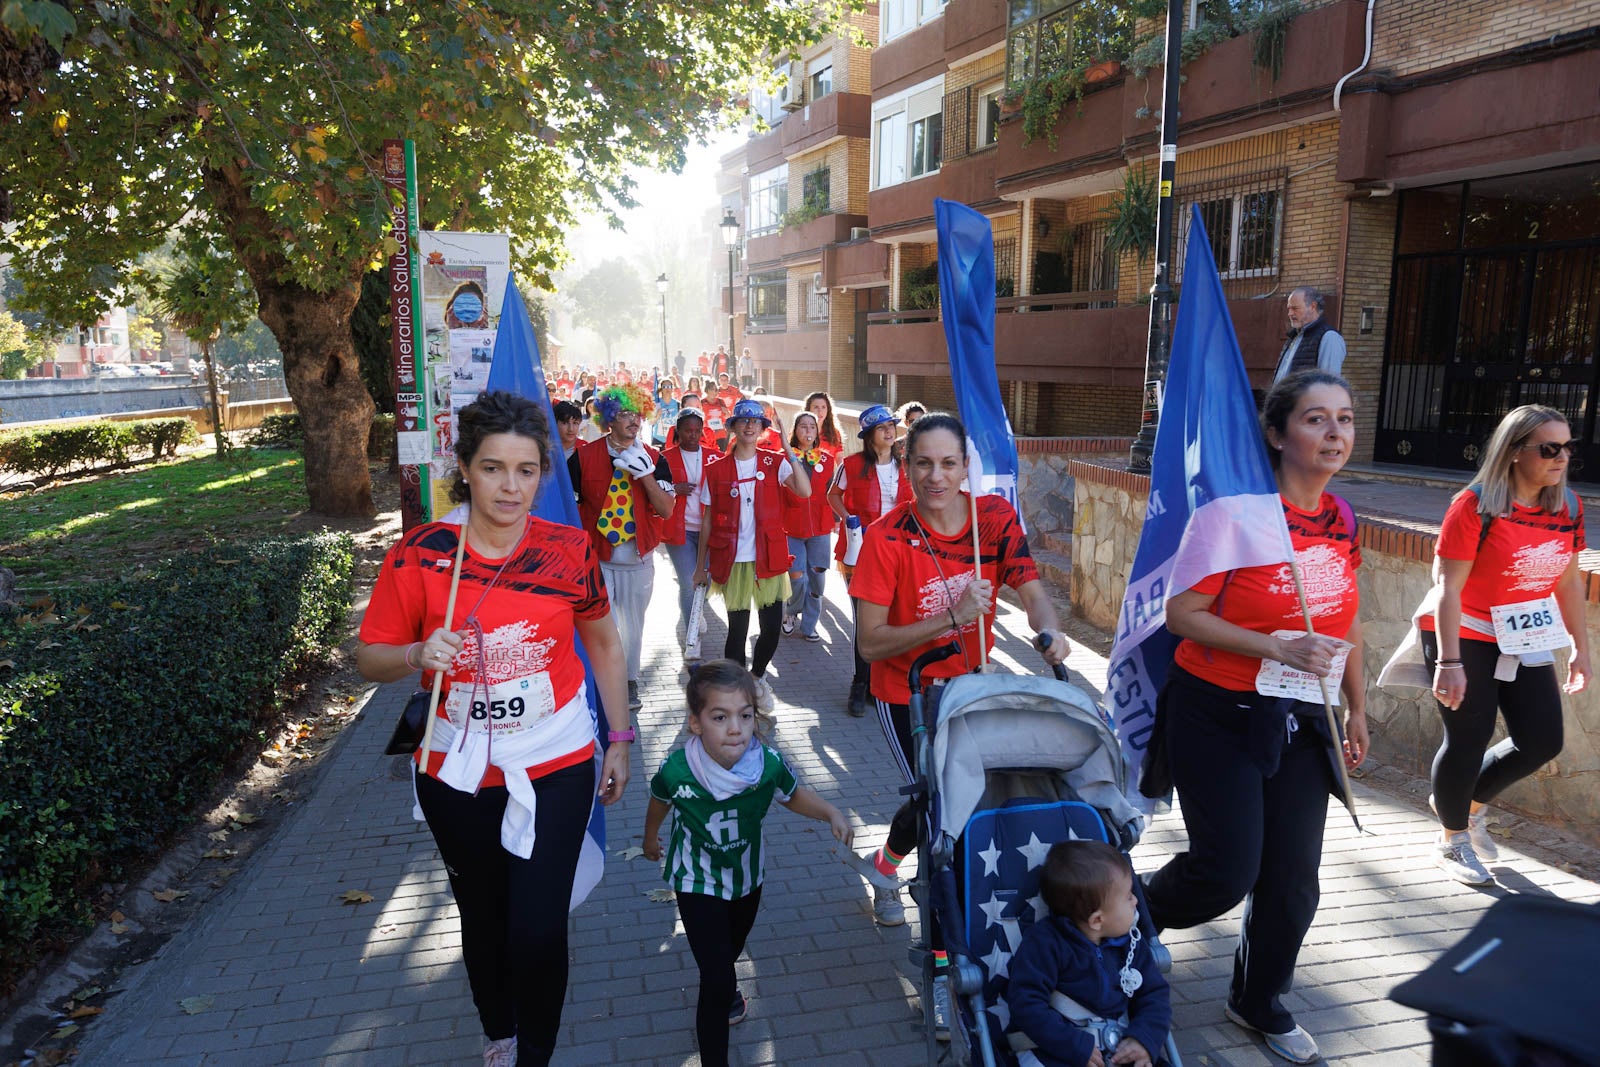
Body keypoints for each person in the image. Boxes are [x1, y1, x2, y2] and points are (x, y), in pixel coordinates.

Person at [356, 391, 633, 1067]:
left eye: (526, 470)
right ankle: (500, 1032)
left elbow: (604, 644)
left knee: (537, 927)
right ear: (465, 468)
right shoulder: (421, 554)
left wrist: (621, 739)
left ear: (543, 473)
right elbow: (370, 658)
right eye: (493, 468)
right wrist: (416, 654)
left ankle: (535, 1053)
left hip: (556, 759)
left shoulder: (569, 550)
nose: (511, 486)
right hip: (455, 770)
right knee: (483, 915)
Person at [1142, 371, 1368, 1066]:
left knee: (1293, 879)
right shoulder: (1233, 515)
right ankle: (1129, 918)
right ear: (1276, 433)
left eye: (1344, 418)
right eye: (1315, 419)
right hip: (1217, 712)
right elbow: (1182, 615)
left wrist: (1357, 705)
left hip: (1301, 713)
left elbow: (1345, 615)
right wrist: (1275, 646)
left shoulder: (1342, 518)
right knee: (1226, 870)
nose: (1335, 432)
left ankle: (1258, 998)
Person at [851, 411, 1069, 926]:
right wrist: (951, 616)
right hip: (906, 692)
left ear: (965, 466)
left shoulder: (993, 518)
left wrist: (1051, 632)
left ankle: (886, 865)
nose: (936, 476)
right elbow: (869, 644)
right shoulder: (887, 537)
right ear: (906, 466)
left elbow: (1033, 593)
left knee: (966, 793)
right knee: (939, 797)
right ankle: (939, 919)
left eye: (949, 463)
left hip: (971, 686)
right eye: (924, 463)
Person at [642, 661, 853, 1067]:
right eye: (720, 717)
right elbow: (659, 800)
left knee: (730, 949)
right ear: (696, 723)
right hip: (696, 878)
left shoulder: (767, 764)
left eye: (745, 715)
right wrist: (650, 837)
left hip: (746, 877)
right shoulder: (677, 769)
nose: (735, 728)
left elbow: (793, 796)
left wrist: (829, 811)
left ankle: (725, 979)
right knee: (715, 978)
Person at [1420, 404, 1589, 884]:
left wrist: (1581, 647)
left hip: (1524, 632)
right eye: (1549, 448)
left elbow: (1568, 581)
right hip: (1465, 630)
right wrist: (1449, 661)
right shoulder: (1474, 505)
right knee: (1467, 740)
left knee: (1542, 741)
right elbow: (1447, 587)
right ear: (1514, 451)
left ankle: (1463, 806)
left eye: (1568, 447)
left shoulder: (1568, 506)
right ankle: (1452, 840)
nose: (1562, 457)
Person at [693, 399, 812, 713]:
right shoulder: (715, 470)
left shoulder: (775, 462)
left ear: (762, 429)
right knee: (737, 630)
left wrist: (788, 448)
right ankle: (738, 690)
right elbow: (707, 521)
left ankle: (757, 678)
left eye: (755, 421)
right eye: (743, 421)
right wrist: (700, 566)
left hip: (769, 558)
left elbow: (805, 491)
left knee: (771, 628)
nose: (749, 426)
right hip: (733, 561)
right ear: (733, 427)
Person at [1008, 841, 1171, 1067]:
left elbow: (1154, 995)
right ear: (1097, 920)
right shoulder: (1046, 944)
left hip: (1119, 1047)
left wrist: (1144, 1038)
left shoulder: (1132, 945)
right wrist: (1071, 1044)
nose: (1136, 901)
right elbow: (1026, 1004)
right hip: (1058, 1049)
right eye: (1128, 896)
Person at [569, 385, 674, 713]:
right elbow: (570, 509)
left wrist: (646, 475)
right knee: (602, 625)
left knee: (633, 628)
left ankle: (628, 679)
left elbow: (667, 509)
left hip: (639, 558)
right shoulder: (583, 458)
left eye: (638, 414)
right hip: (598, 558)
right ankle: (602, 680)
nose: (634, 421)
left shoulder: (656, 458)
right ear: (609, 419)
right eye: (625, 414)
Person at [828, 403, 913, 718]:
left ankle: (880, 684)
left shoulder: (906, 465)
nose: (890, 432)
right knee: (865, 621)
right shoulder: (851, 465)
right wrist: (847, 517)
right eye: (882, 428)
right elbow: (832, 495)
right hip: (858, 553)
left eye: (891, 426)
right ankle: (859, 684)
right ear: (869, 435)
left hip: (899, 555)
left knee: (893, 620)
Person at [658, 407, 710, 663]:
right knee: (690, 583)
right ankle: (692, 639)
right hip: (680, 531)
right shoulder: (664, 458)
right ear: (678, 431)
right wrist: (673, 488)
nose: (693, 435)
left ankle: (696, 612)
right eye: (688, 430)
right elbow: (653, 490)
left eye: (697, 430)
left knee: (705, 583)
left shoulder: (714, 456)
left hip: (709, 531)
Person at [781, 410, 836, 643]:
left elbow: (832, 492)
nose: (808, 431)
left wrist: (836, 519)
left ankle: (810, 625)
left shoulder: (827, 460)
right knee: (797, 577)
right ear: (795, 431)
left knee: (817, 580)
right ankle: (791, 611)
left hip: (821, 528)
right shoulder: (784, 459)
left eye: (812, 426)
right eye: (803, 426)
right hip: (791, 527)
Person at [1271, 286, 1346, 382]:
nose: (1290, 313)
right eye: (1289, 309)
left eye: (1295, 308)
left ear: (1312, 307)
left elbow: (1328, 383)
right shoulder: (1295, 335)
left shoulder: (1329, 337)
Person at [804, 390, 845, 457]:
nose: (820, 411)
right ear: (808, 409)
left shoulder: (835, 433)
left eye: (823, 407)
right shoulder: (799, 431)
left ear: (828, 409)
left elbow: (839, 458)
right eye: (816, 407)